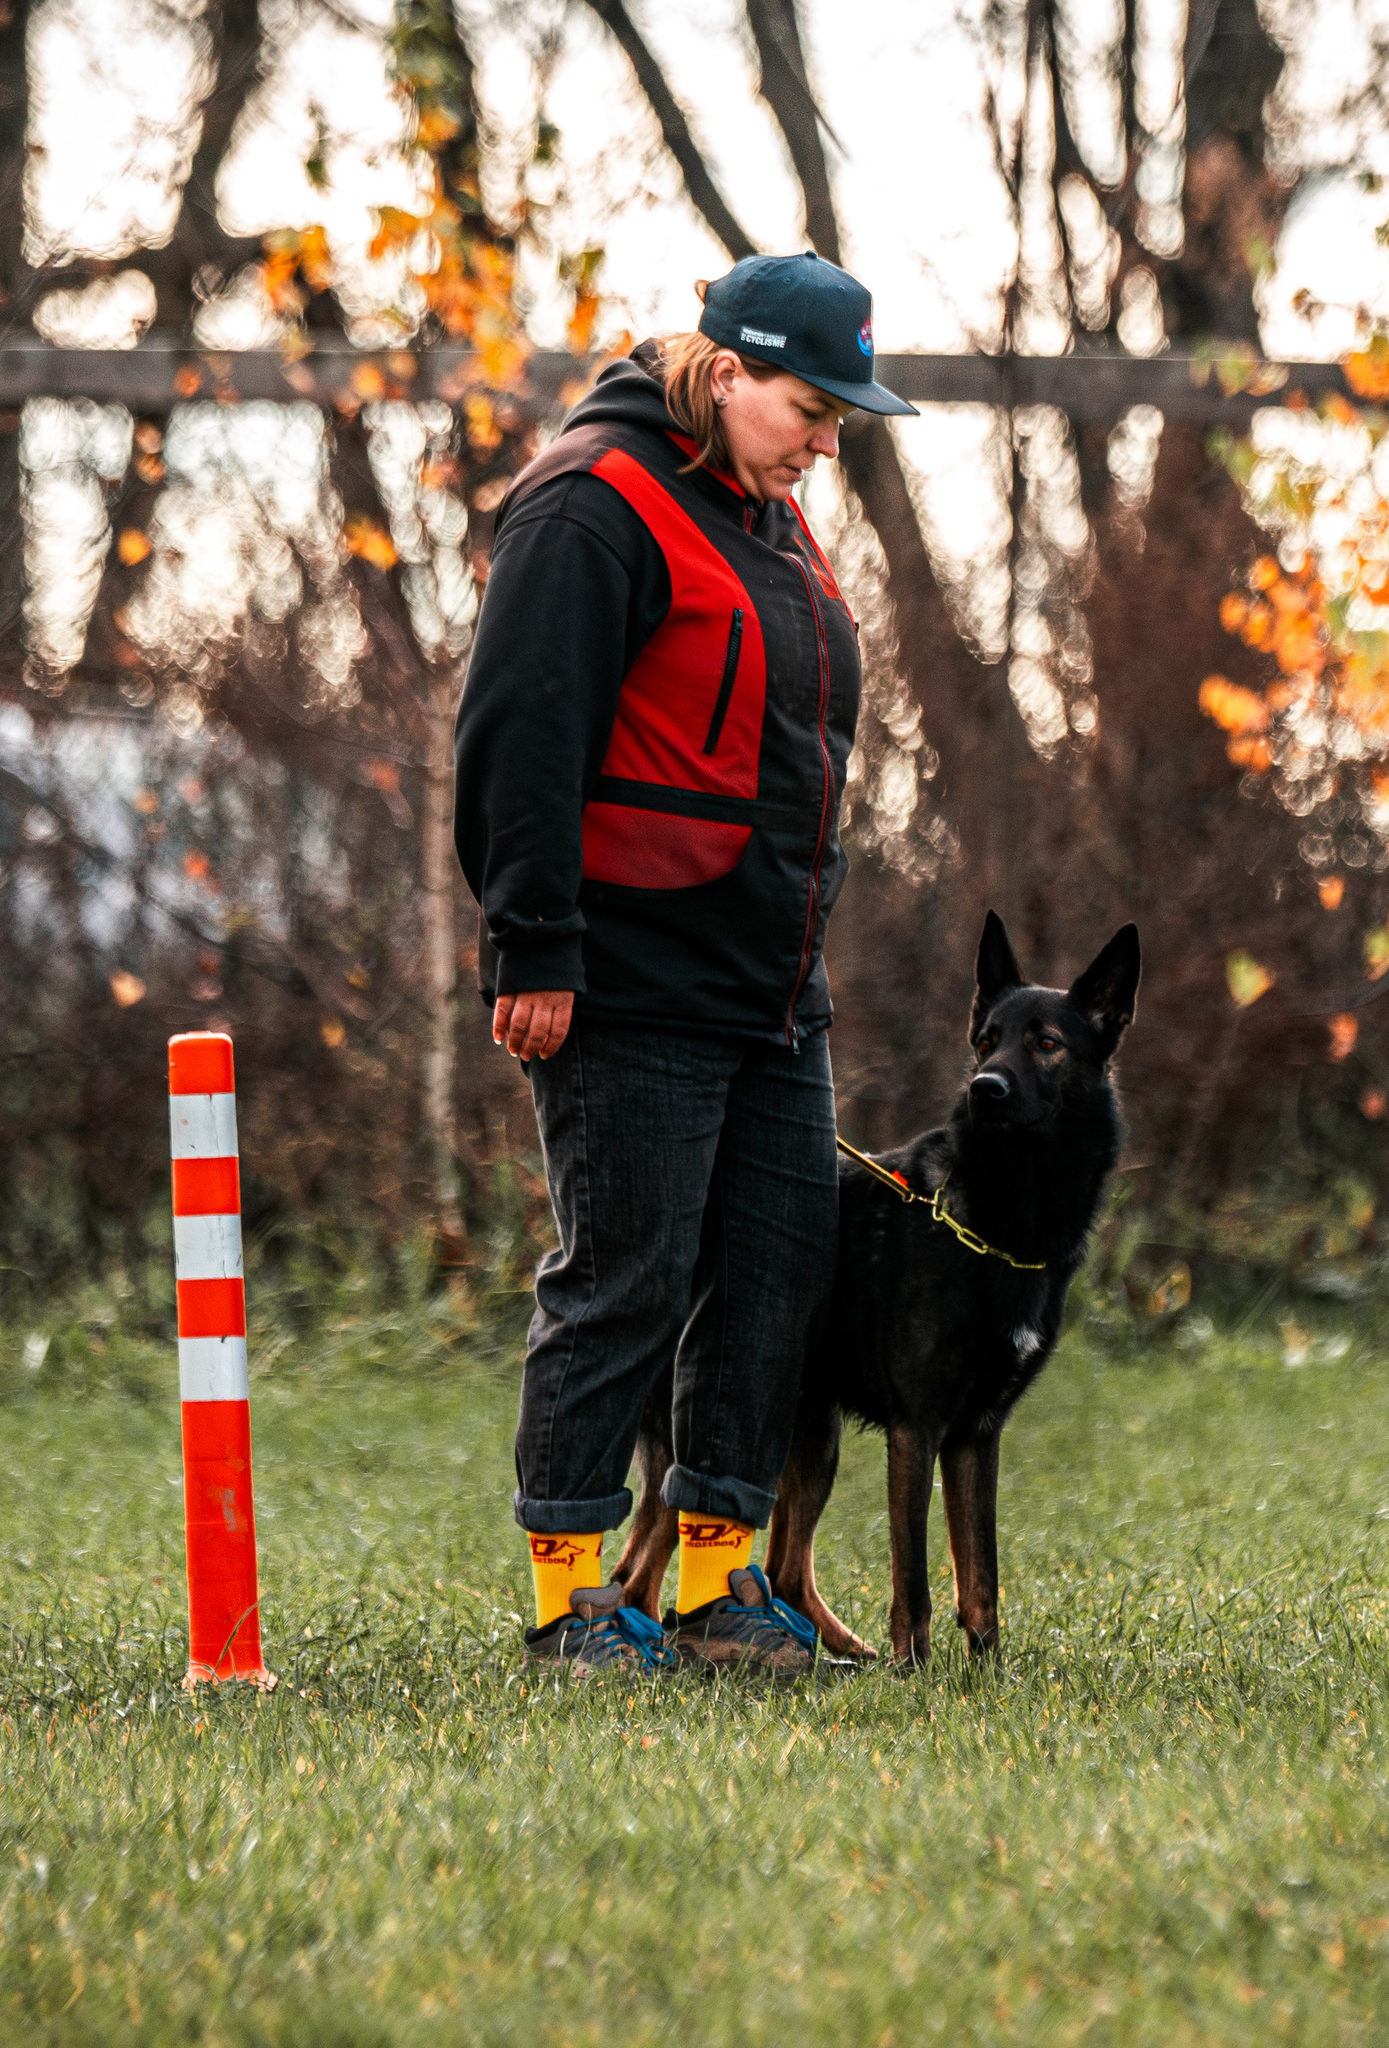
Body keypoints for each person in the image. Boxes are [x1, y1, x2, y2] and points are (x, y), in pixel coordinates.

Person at [453, 253, 918, 1675]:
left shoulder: (768, 516)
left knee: (777, 1271)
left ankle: (720, 1593)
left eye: (845, 416)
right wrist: (532, 944)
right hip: (630, 970)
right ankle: (569, 1602)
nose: (830, 440)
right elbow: (519, 735)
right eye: (810, 407)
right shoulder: (595, 503)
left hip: (771, 978)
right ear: (725, 375)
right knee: (627, 1279)